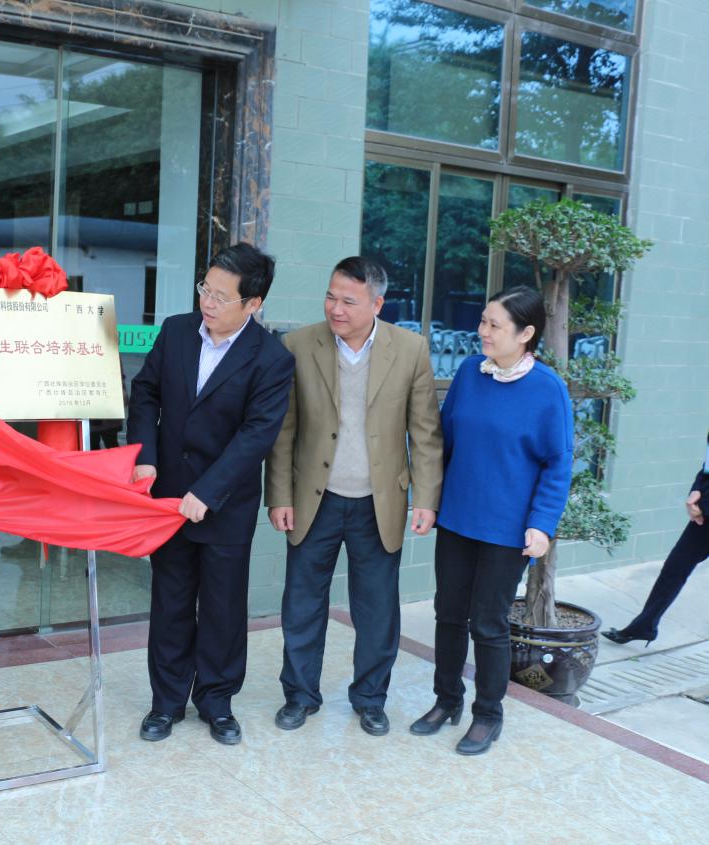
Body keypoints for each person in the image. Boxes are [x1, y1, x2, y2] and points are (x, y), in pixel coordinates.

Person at [264, 256, 443, 737]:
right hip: (313, 498)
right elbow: (283, 430)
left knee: (377, 610)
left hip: (378, 502)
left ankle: (370, 699)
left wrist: (426, 499)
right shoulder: (299, 345)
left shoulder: (410, 349)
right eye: (330, 296)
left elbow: (425, 433)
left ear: (377, 304)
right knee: (302, 604)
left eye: (348, 301)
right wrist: (279, 495)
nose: (335, 309)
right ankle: (300, 696)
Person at [127, 242, 294, 746]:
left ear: (253, 303)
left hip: (224, 504)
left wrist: (207, 490)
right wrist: (145, 454)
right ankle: (166, 702)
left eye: (222, 296)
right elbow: (146, 392)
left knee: (222, 607)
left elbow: (256, 435)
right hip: (167, 495)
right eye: (206, 289)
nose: (208, 301)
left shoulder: (271, 359)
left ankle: (217, 702)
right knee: (171, 601)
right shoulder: (177, 331)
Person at [411, 286, 572, 756]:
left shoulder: (548, 390)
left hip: (507, 531)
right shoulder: (469, 372)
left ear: (525, 333)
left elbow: (558, 463)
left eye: (494, 325)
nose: (482, 331)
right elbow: (445, 442)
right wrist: (429, 502)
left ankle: (488, 714)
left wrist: (542, 524)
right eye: (483, 321)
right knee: (448, 613)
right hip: (458, 519)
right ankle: (446, 700)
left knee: (487, 622)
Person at [603, 430, 709, 646]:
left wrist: (704, 505)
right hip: (703, 517)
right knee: (675, 568)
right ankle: (644, 627)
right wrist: (695, 493)